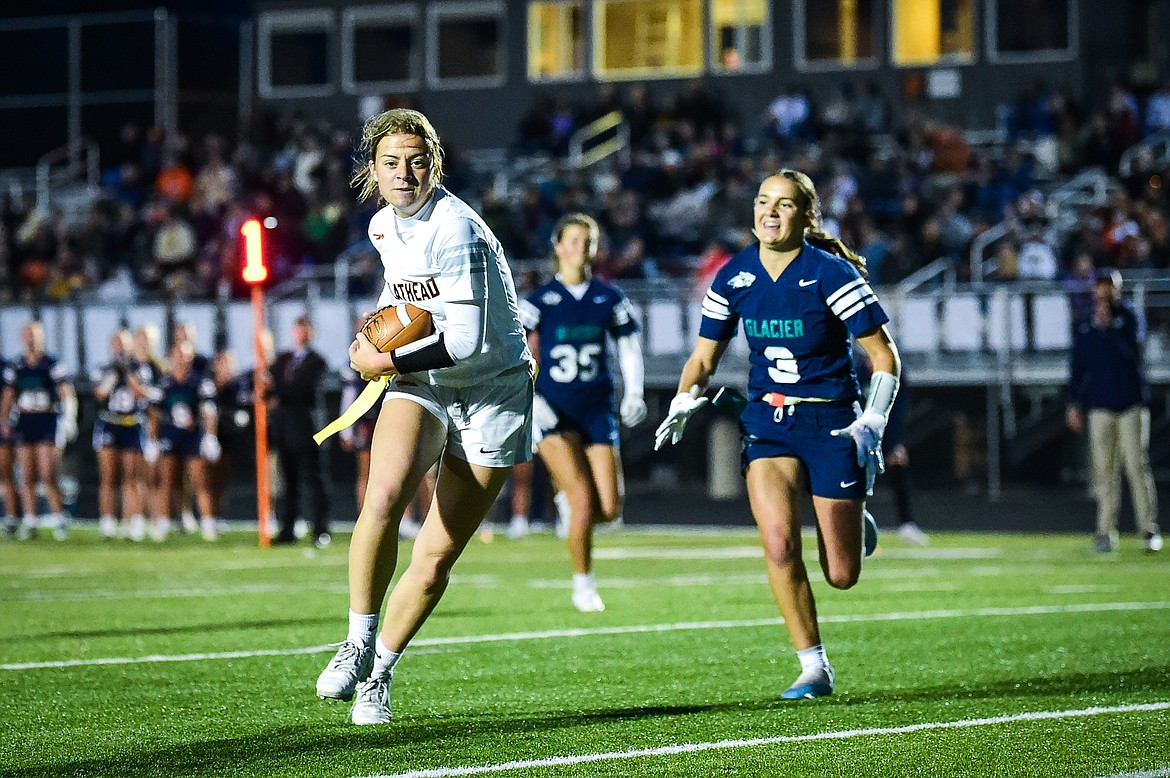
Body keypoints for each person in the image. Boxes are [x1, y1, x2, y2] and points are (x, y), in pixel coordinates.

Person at [314, 107, 533, 726]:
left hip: (492, 389)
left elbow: (462, 340)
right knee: (381, 494)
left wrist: (383, 352)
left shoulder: (455, 228)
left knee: (435, 554)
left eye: (416, 160)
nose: (404, 172)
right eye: (390, 162)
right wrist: (367, 340)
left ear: (434, 164)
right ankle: (357, 638)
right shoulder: (385, 225)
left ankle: (378, 674)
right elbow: (400, 297)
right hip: (426, 383)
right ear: (373, 172)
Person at [654, 169, 900, 700]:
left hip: (832, 419)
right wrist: (682, 399)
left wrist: (874, 418)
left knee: (841, 574)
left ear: (806, 217)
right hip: (767, 421)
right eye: (763, 201)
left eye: (784, 204)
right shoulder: (733, 276)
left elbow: (884, 356)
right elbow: (704, 356)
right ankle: (814, 667)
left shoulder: (831, 274)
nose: (770, 211)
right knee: (779, 543)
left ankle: (856, 520)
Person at [518, 212, 647, 611]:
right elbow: (512, 350)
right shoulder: (540, 300)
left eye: (586, 241)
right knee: (583, 500)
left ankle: (567, 510)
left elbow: (628, 346)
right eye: (572, 240)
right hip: (553, 410)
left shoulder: (609, 297)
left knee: (609, 507)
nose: (579, 249)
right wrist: (530, 398)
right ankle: (583, 584)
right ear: (557, 247)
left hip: (596, 408)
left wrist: (635, 391)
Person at [1066, 269, 1162, 554]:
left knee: (1136, 465)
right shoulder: (1085, 325)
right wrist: (1073, 402)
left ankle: (1148, 529)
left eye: (1110, 287)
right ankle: (1105, 531)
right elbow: (1078, 368)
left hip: (1129, 403)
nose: (1105, 292)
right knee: (1103, 472)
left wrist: (1109, 329)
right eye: (1101, 287)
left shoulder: (1129, 319)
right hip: (1099, 406)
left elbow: (1134, 354)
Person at [0, 321, 78, 541]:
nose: (31, 339)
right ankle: (31, 518)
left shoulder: (51, 363)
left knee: (48, 472)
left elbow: (66, 393)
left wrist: (68, 419)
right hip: (25, 420)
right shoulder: (16, 365)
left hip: (46, 419)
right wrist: (4, 420)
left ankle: (58, 517)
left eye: (34, 335)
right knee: (27, 474)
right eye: (27, 335)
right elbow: (8, 395)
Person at [145, 341, 221, 541]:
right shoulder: (164, 382)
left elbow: (209, 411)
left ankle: (207, 522)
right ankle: (163, 522)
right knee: (167, 479)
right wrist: (152, 439)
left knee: (200, 480)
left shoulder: (200, 381)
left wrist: (210, 436)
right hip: (170, 434)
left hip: (192, 435)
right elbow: (154, 412)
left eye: (185, 355)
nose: (181, 358)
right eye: (177, 354)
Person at [268, 314, 330, 547]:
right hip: (285, 429)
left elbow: (303, 390)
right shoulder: (283, 358)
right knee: (288, 482)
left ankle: (320, 529)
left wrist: (279, 392)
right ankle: (288, 529)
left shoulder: (317, 361)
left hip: (307, 429)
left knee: (314, 481)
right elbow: (268, 383)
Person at [92, 329, 149, 540]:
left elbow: (142, 393)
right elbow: (100, 393)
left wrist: (129, 373)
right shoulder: (105, 368)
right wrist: (115, 374)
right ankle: (107, 521)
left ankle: (133, 520)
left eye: (124, 344)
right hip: (109, 422)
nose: (120, 348)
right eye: (116, 343)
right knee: (108, 476)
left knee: (132, 475)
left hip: (131, 423)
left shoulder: (138, 368)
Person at [0, 356, 16, 537]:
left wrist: (4, 421)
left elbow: (9, 395)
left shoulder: (6, 367)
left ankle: (11, 518)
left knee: (5, 472)